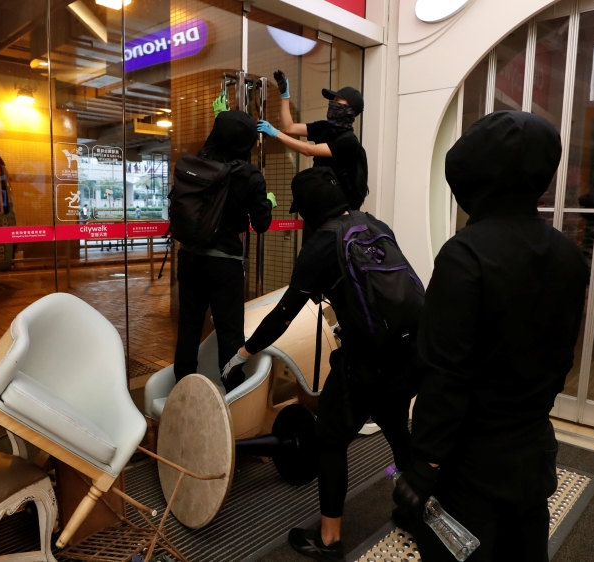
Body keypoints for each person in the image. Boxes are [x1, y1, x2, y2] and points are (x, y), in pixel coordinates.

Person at [392, 111, 590, 562]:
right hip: (533, 447)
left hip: (469, 462)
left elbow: (445, 373)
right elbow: (561, 358)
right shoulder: (568, 254)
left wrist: (424, 464)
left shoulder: (466, 254)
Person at [224, 171, 415, 562]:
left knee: (329, 440)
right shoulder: (374, 225)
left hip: (366, 360)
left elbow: (283, 315)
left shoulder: (323, 243)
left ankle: (328, 540)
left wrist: (244, 352)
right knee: (396, 426)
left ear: (310, 211)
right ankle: (416, 507)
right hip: (409, 352)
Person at [173, 109, 273, 390]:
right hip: (224, 263)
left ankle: (183, 392)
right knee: (229, 332)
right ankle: (232, 394)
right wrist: (266, 202)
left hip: (189, 258)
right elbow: (262, 224)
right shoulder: (249, 174)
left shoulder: (193, 166)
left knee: (189, 328)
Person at [256, 71, 367, 210]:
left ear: (350, 109)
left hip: (339, 208)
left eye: (338, 101)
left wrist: (275, 133)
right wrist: (285, 96)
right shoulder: (324, 127)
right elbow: (289, 127)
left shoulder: (350, 142)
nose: (332, 103)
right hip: (319, 199)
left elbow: (308, 150)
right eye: (332, 100)